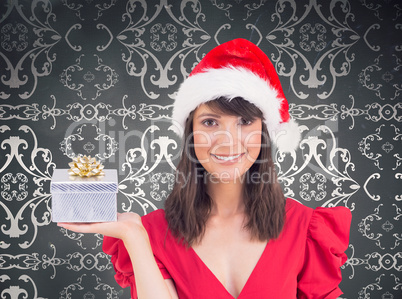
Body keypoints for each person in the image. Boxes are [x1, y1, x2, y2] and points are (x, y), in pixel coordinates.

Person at [58, 38, 352, 299]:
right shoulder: (153, 233)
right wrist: (133, 236)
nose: (228, 141)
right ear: (191, 134)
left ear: (264, 132)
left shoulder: (306, 229)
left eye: (245, 122)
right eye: (211, 122)